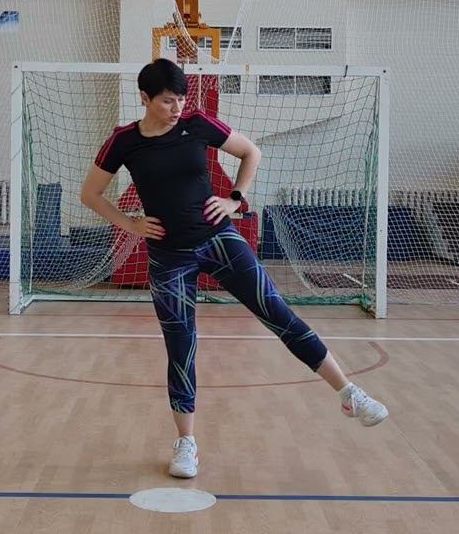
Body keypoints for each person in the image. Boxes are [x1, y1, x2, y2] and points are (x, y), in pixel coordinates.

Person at [80, 59, 388, 479]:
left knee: (278, 313)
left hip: (220, 242)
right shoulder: (124, 141)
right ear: (145, 99)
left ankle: (349, 393)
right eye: (168, 101)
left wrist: (235, 199)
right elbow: (90, 194)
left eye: (181, 99)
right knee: (181, 346)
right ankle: (186, 442)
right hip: (169, 258)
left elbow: (250, 152)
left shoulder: (197, 124)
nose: (176, 108)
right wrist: (129, 223)